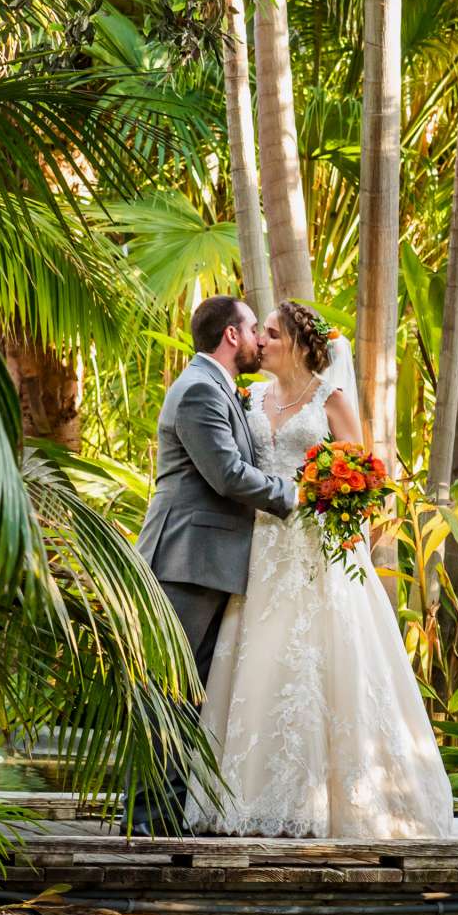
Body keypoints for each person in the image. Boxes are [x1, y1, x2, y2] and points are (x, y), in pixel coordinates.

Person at [185, 299, 458, 839]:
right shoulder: (251, 396)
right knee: (257, 663)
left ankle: (347, 802)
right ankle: (245, 796)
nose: (263, 340)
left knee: (327, 660)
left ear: (303, 347)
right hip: (262, 548)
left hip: (318, 547)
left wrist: (338, 498)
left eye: (274, 334)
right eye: (260, 332)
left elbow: (367, 477)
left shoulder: (330, 400)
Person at [134, 295, 298, 832]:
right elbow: (226, 474)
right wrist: (292, 494)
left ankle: (164, 817)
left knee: (190, 692)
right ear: (231, 335)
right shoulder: (200, 390)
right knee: (169, 693)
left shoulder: (219, 388)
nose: (259, 340)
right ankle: (148, 823)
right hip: (184, 559)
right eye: (254, 329)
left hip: (206, 561)